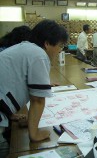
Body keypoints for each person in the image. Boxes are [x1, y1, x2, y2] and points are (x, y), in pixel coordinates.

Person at [0, 20, 68, 157]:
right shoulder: (39, 55)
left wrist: (9, 113)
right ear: (47, 43)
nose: (60, 50)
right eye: (60, 45)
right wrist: (35, 134)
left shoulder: (25, 47)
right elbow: (37, 99)